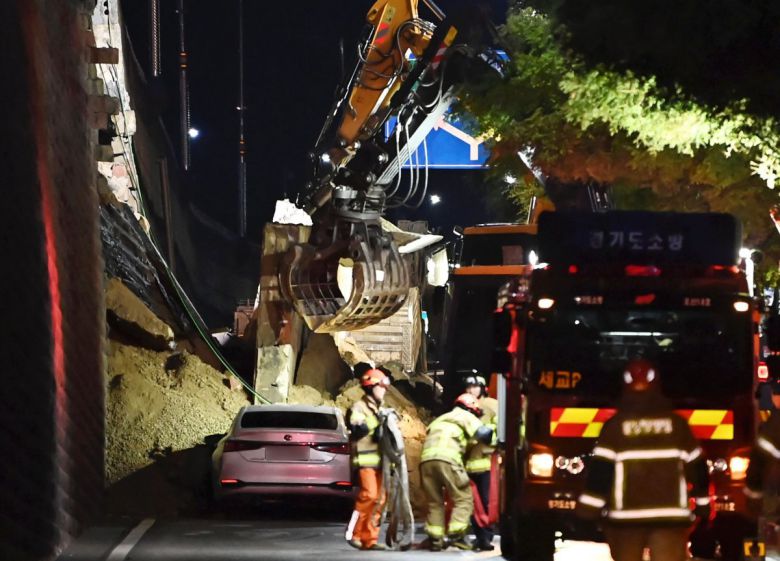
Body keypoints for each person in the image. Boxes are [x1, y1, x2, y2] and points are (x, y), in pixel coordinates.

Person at [575, 359, 710, 561]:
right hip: (669, 519)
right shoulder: (677, 425)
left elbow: (600, 475)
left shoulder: (615, 427)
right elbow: (698, 469)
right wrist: (703, 505)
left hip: (626, 521)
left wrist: (587, 512)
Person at [420, 392, 494, 551]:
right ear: (472, 409)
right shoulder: (466, 416)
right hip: (448, 460)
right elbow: (485, 435)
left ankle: (435, 540)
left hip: (426, 462)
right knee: (464, 498)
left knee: (435, 502)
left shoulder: (441, 419)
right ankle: (457, 536)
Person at [346, 368, 391, 551]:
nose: (384, 391)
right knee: (369, 494)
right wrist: (377, 421)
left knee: (380, 499)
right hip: (365, 460)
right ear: (371, 387)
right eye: (381, 387)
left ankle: (369, 539)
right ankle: (354, 534)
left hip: (381, 462)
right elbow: (358, 430)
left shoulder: (381, 409)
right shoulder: (359, 407)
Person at [463, 373, 498, 551]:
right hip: (468, 462)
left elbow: (500, 430)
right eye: (469, 387)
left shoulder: (492, 405)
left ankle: (486, 537)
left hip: (486, 461)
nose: (471, 390)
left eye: (475, 386)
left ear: (483, 388)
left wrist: (487, 436)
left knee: (486, 501)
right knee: (470, 502)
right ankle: (479, 537)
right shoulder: (464, 406)